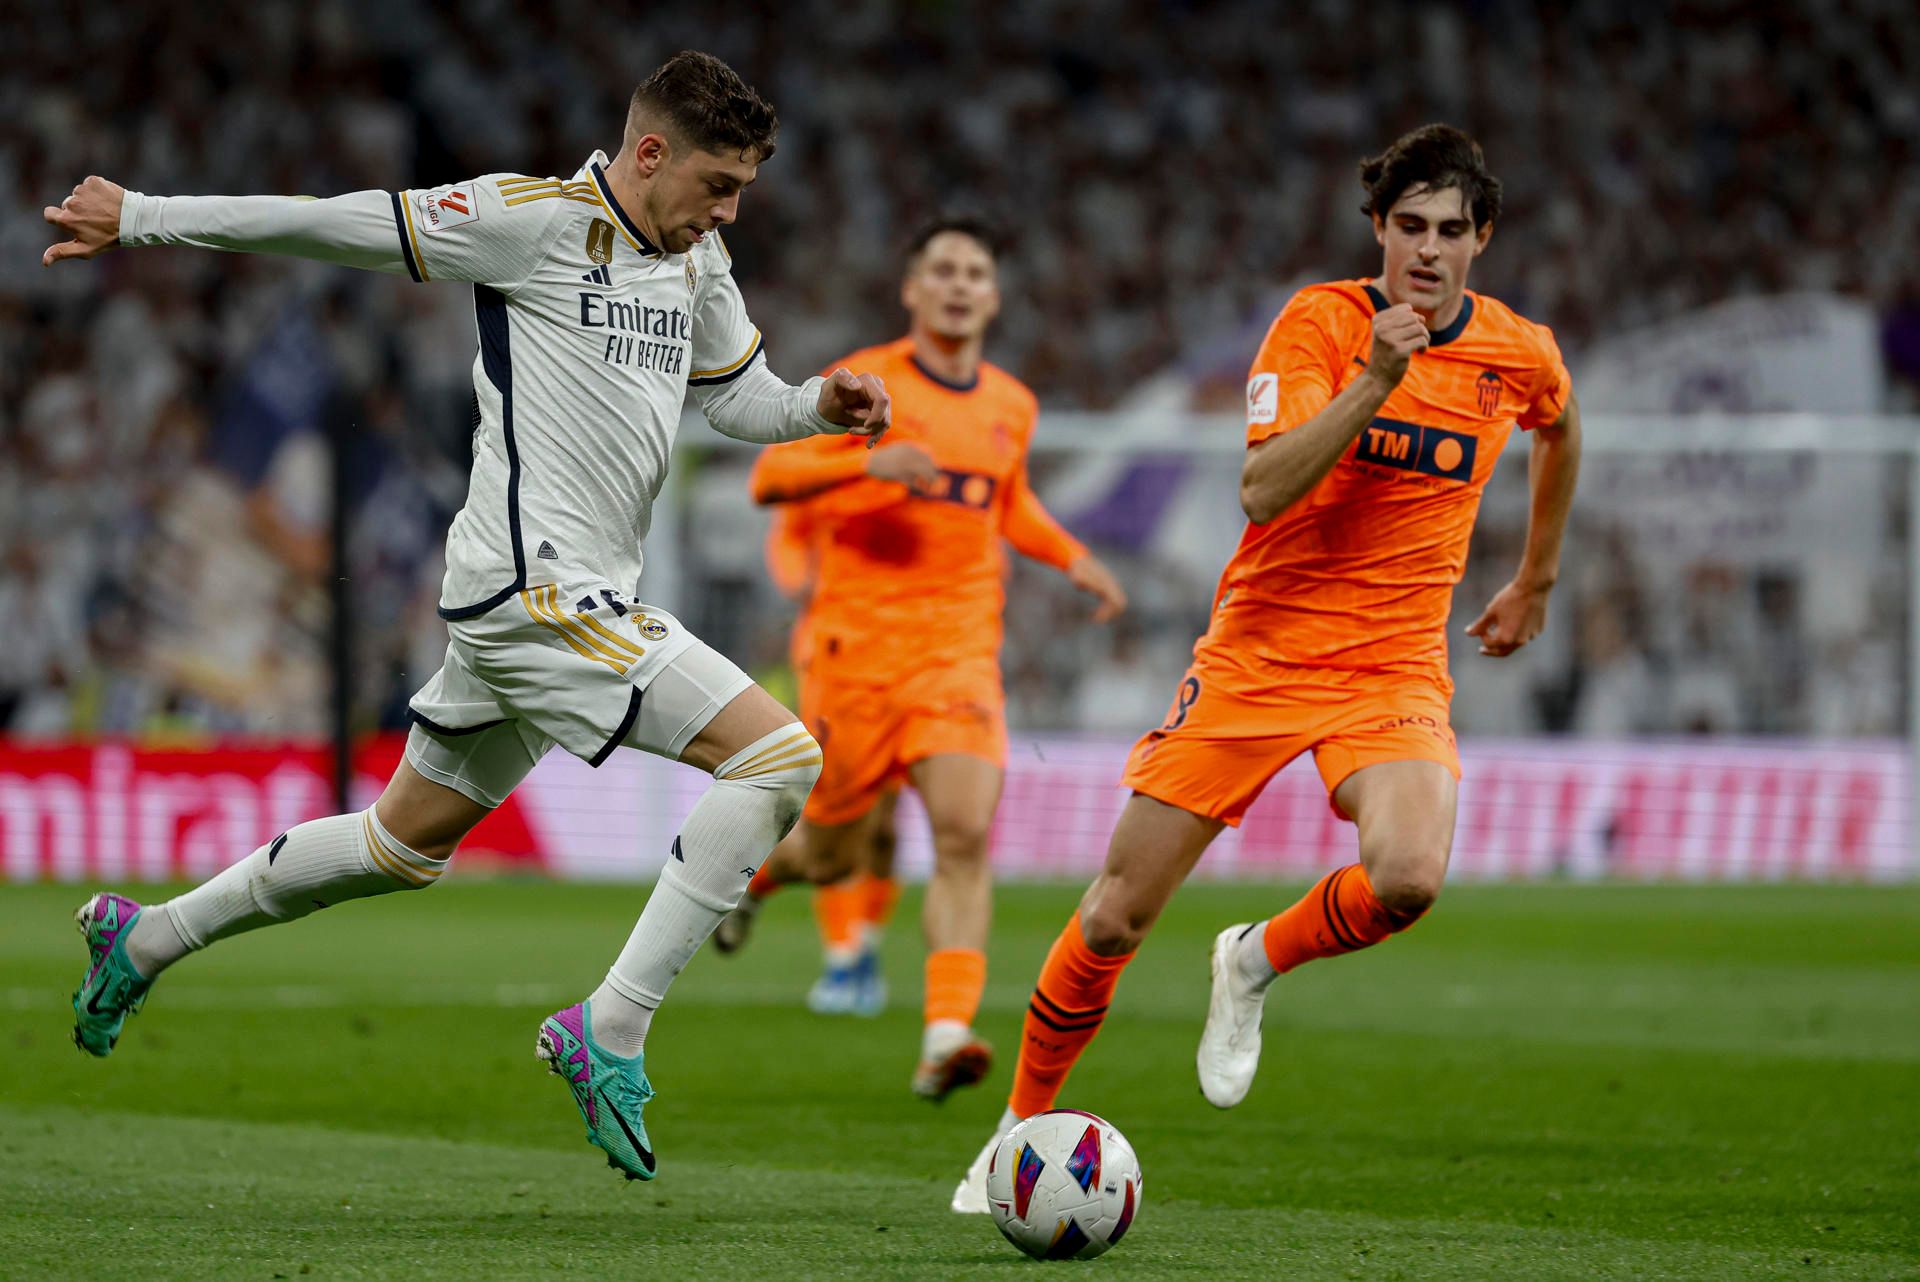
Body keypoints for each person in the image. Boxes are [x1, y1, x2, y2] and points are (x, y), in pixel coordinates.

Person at [45, 50, 891, 1184]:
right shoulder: (525, 223)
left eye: (740, 190)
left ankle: (142, 937)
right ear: (649, 154)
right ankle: (614, 1027)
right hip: (534, 592)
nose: (730, 211)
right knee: (781, 757)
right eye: (717, 184)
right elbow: (334, 223)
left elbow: (734, 392)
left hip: (565, 600)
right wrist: (146, 215)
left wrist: (814, 408)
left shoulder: (697, 261)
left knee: (401, 846)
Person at [950, 123, 1582, 1211]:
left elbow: (1563, 427)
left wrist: (1536, 580)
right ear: (1379, 230)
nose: (1428, 252)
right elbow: (1262, 489)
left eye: (1450, 231)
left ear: (1483, 238)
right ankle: (1013, 1131)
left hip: (1391, 668)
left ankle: (1254, 959)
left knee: (1410, 879)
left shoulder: (1516, 352)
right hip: (1259, 655)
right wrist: (1376, 381)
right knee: (1113, 917)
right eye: (1409, 228)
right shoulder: (1322, 325)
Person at [722, 216, 1128, 1101]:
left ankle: (946, 1032)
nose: (958, 284)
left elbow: (1006, 500)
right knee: (830, 855)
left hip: (958, 656)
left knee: (962, 834)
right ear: (912, 290)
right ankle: (754, 884)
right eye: (941, 269)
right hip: (854, 653)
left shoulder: (1010, 405)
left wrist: (1070, 557)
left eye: (975, 271)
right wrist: (863, 470)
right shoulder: (866, 382)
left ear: (993, 294)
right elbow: (769, 482)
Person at [711, 501, 904, 1019]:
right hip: (839, 669)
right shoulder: (829, 476)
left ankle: (861, 952)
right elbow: (789, 540)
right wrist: (808, 582)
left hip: (907, 666)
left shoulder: (915, 479)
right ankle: (840, 957)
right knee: (839, 831)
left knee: (885, 830)